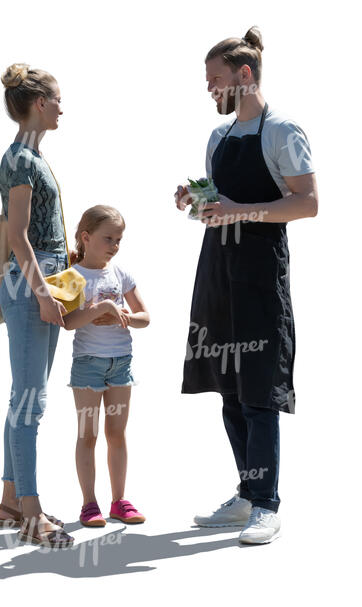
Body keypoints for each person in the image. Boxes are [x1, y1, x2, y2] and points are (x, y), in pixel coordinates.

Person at [174, 27, 318, 544]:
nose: (210, 90)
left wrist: (241, 210)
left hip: (260, 275)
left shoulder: (283, 130)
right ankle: (245, 493)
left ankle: (267, 505)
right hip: (217, 271)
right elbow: (220, 210)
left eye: (215, 81)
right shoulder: (218, 137)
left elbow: (307, 203)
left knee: (259, 390)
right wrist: (197, 201)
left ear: (244, 75)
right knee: (229, 390)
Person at [0, 63, 74, 548]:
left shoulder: (31, 157)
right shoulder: (21, 161)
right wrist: (45, 294)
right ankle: (30, 513)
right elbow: (17, 236)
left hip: (40, 278)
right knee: (31, 402)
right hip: (31, 283)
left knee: (22, 397)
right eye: (59, 99)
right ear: (40, 103)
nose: (64, 107)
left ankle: (10, 503)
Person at [62, 205, 150, 527]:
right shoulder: (73, 276)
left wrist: (125, 317)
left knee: (117, 433)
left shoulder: (121, 274)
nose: (114, 245)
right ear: (86, 237)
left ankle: (119, 501)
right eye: (108, 238)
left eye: (119, 240)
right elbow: (68, 322)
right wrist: (103, 308)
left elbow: (145, 317)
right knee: (88, 435)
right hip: (87, 365)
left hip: (120, 364)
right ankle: (89, 504)